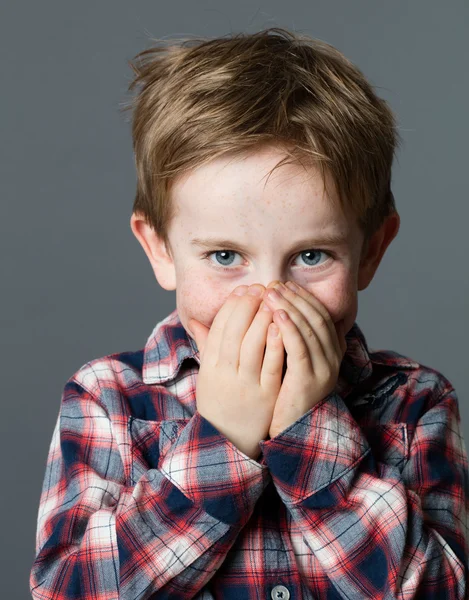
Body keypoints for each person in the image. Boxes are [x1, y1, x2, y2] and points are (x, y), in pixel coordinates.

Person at [30, 27, 468, 599]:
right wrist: (222, 441)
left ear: (372, 251)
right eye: (225, 256)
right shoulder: (107, 399)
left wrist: (309, 433)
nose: (268, 297)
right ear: (160, 249)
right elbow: (67, 592)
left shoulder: (414, 403)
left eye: (311, 256)